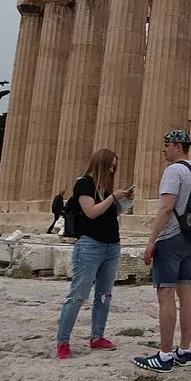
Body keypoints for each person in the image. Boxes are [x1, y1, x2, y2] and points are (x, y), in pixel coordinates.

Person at [134, 129, 191, 373]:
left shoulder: (173, 171)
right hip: (190, 239)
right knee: (186, 294)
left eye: (166, 145)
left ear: (177, 146)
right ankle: (183, 351)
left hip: (171, 237)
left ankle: (164, 356)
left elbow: (166, 208)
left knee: (165, 295)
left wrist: (152, 240)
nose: (163, 149)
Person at [55, 149, 133, 359]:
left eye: (115, 166)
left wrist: (125, 201)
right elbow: (91, 212)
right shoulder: (84, 184)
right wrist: (112, 198)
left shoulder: (105, 187)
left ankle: (97, 337)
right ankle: (63, 342)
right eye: (110, 165)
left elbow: (110, 214)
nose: (112, 169)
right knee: (78, 295)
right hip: (90, 246)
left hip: (111, 245)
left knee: (104, 295)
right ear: (101, 164)